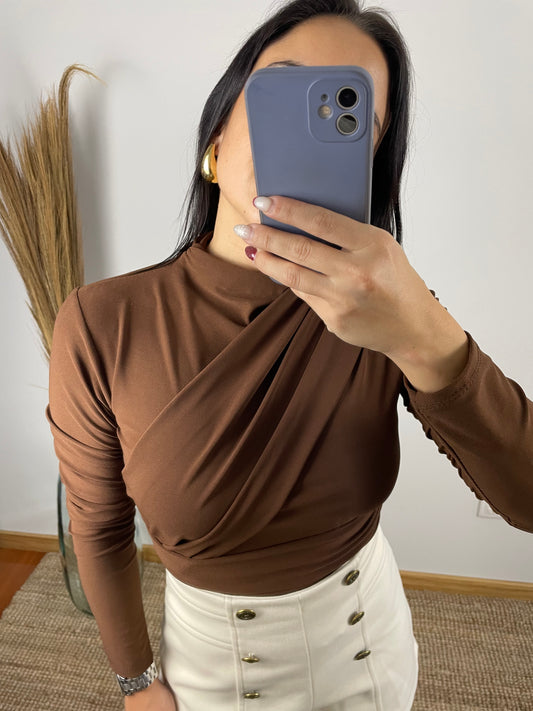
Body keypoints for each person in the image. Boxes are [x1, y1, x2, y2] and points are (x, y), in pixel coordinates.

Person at [45, 1, 533, 710]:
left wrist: (420, 331)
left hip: (372, 660)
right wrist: (136, 681)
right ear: (217, 133)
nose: (310, 127)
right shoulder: (102, 323)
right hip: (210, 679)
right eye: (284, 89)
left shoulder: (389, 309)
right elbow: (97, 526)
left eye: (348, 115)